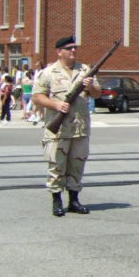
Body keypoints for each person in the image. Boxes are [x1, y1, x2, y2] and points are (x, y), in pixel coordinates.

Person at [32, 36, 102, 217]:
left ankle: (74, 200)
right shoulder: (48, 72)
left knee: (77, 164)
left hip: (80, 128)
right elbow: (37, 96)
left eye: (75, 48)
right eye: (69, 48)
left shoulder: (85, 70)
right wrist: (56, 105)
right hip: (59, 129)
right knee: (56, 165)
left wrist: (90, 85)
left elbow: (97, 93)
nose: (73, 51)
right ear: (59, 51)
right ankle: (57, 200)